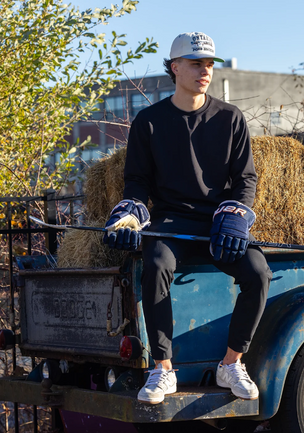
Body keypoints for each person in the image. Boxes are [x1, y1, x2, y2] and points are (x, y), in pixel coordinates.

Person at [103, 31, 272, 405]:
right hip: (171, 224)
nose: (205, 71)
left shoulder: (230, 118)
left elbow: (245, 180)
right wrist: (130, 214)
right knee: (156, 265)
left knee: (258, 272)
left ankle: (231, 363)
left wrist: (236, 216)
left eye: (210, 64)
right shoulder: (149, 122)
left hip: (219, 226)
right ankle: (162, 370)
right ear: (175, 67)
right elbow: (136, 183)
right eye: (196, 64)